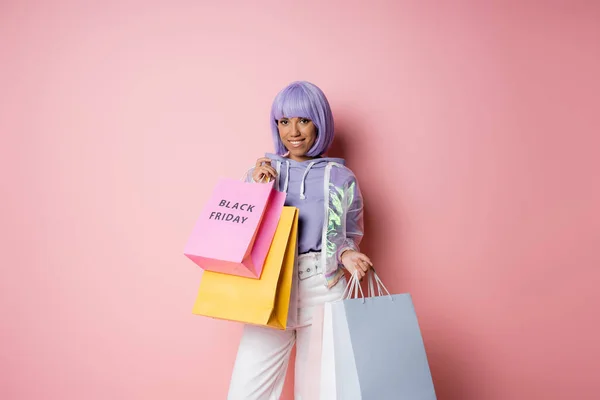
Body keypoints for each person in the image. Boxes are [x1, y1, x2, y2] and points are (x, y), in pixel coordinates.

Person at [228, 81, 373, 400]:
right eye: (284, 121)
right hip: (271, 288)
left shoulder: (339, 177)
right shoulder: (261, 172)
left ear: (320, 123)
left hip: (323, 288)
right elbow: (238, 232)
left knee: (323, 392)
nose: (293, 131)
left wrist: (348, 254)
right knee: (246, 392)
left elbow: (346, 231)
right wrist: (257, 188)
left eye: (303, 120)